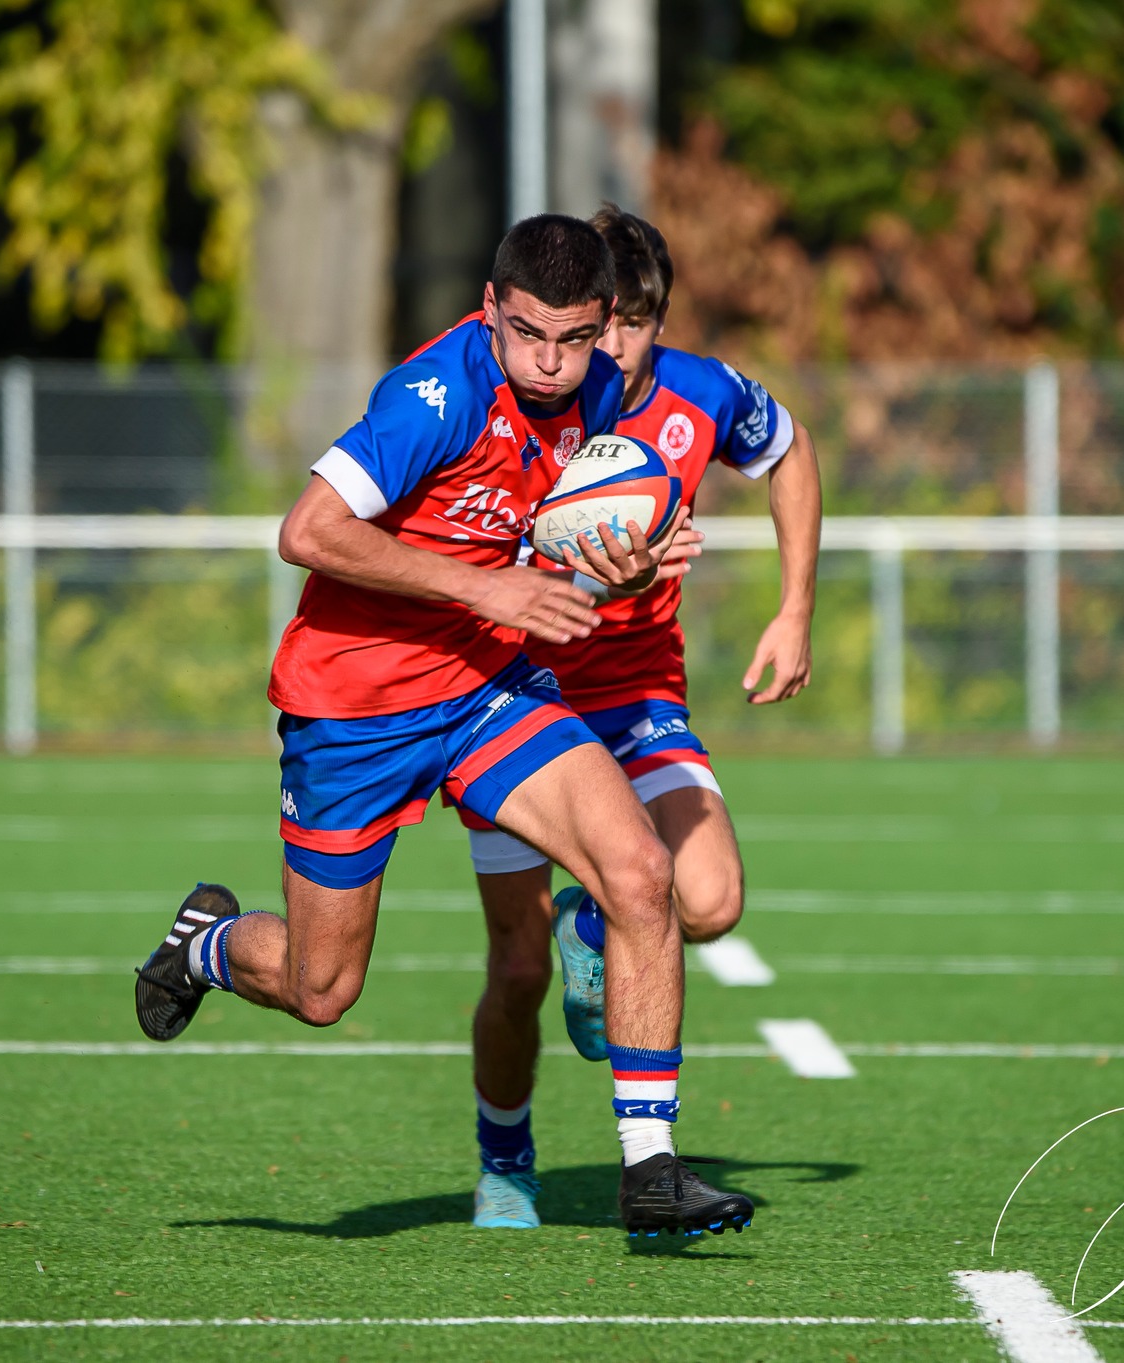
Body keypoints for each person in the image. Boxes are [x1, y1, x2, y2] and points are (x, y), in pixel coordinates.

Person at [132, 214, 754, 1239]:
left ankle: (650, 1168)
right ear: (488, 312)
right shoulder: (436, 396)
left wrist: (628, 560)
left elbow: (572, 530)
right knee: (319, 987)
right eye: (525, 335)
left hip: (485, 691)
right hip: (353, 710)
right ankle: (204, 944)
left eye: (573, 338)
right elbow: (307, 533)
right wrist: (490, 589)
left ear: (606, 326)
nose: (549, 363)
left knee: (639, 874)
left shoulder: (601, 391)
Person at [457, 205, 822, 1228]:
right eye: (594, 328)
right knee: (516, 968)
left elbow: (788, 452)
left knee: (703, 899)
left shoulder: (699, 394)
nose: (611, 349)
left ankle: (596, 918)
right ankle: (504, 1152)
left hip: (635, 698)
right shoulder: (518, 398)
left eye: (634, 322)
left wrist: (791, 611)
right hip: (511, 700)